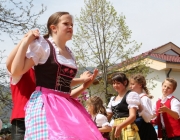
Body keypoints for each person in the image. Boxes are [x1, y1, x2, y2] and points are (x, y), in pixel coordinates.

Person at [9, 11, 104, 140]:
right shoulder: (44, 46)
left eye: (72, 24)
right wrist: (25, 42)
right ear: (53, 28)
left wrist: (83, 83)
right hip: (46, 102)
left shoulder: (69, 53)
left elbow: (59, 83)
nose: (70, 27)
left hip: (65, 103)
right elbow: (15, 71)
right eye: (66, 24)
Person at [6, 38, 36, 140]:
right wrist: (25, 40)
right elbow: (9, 63)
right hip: (21, 121)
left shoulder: (41, 74)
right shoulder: (17, 73)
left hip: (38, 118)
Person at [106, 72, 140, 140]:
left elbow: (132, 116)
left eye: (118, 83)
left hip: (127, 127)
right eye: (114, 83)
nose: (115, 85)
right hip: (115, 127)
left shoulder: (131, 95)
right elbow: (108, 115)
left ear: (125, 82)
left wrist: (120, 126)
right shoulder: (113, 99)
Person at [129, 74, 158, 140]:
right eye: (130, 84)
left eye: (133, 84)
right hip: (137, 129)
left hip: (145, 130)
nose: (130, 86)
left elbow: (148, 119)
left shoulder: (144, 99)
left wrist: (140, 107)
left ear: (140, 85)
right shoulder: (133, 98)